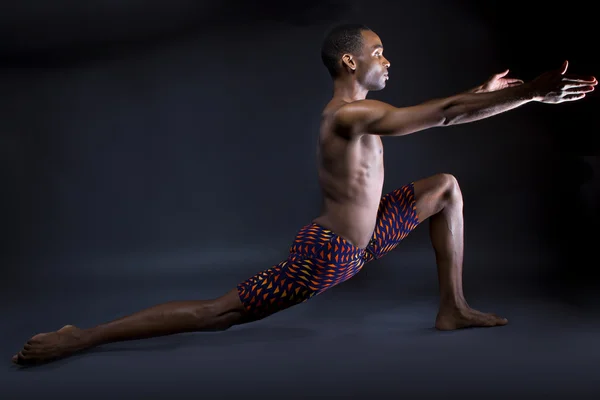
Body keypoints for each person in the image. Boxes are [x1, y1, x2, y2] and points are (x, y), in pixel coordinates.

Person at [12, 23, 596, 366]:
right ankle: (80, 337)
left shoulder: (363, 111)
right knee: (219, 315)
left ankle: (452, 307)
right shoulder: (349, 115)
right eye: (379, 53)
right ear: (351, 62)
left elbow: (445, 113)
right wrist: (530, 96)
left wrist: (484, 90)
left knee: (444, 188)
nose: (388, 61)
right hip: (330, 256)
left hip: (366, 245)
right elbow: (441, 117)